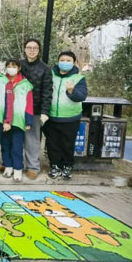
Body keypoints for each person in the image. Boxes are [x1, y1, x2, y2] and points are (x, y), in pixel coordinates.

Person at [43, 51, 87, 180]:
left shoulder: (79, 78)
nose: (65, 63)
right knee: (52, 144)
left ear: (74, 63)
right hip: (51, 117)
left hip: (71, 118)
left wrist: (72, 91)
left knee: (68, 144)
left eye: (68, 61)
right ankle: (55, 165)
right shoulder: (50, 75)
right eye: (62, 60)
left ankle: (67, 166)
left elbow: (82, 96)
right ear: (58, 62)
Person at [20, 39, 52, 180]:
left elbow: (47, 92)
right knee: (14, 137)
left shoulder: (45, 69)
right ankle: (12, 164)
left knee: (32, 138)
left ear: (39, 50)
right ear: (25, 49)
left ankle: (33, 166)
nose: (32, 50)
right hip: (16, 108)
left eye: (35, 48)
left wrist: (45, 111)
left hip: (35, 109)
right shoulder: (18, 65)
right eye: (29, 47)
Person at [2, 59, 34, 182]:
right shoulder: (3, 81)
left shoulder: (26, 84)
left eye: (14, 66)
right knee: (5, 145)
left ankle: (17, 169)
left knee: (17, 147)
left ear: (19, 68)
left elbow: (29, 104)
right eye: (9, 66)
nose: (11, 69)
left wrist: (28, 120)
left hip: (19, 120)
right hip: (4, 120)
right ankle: (8, 166)